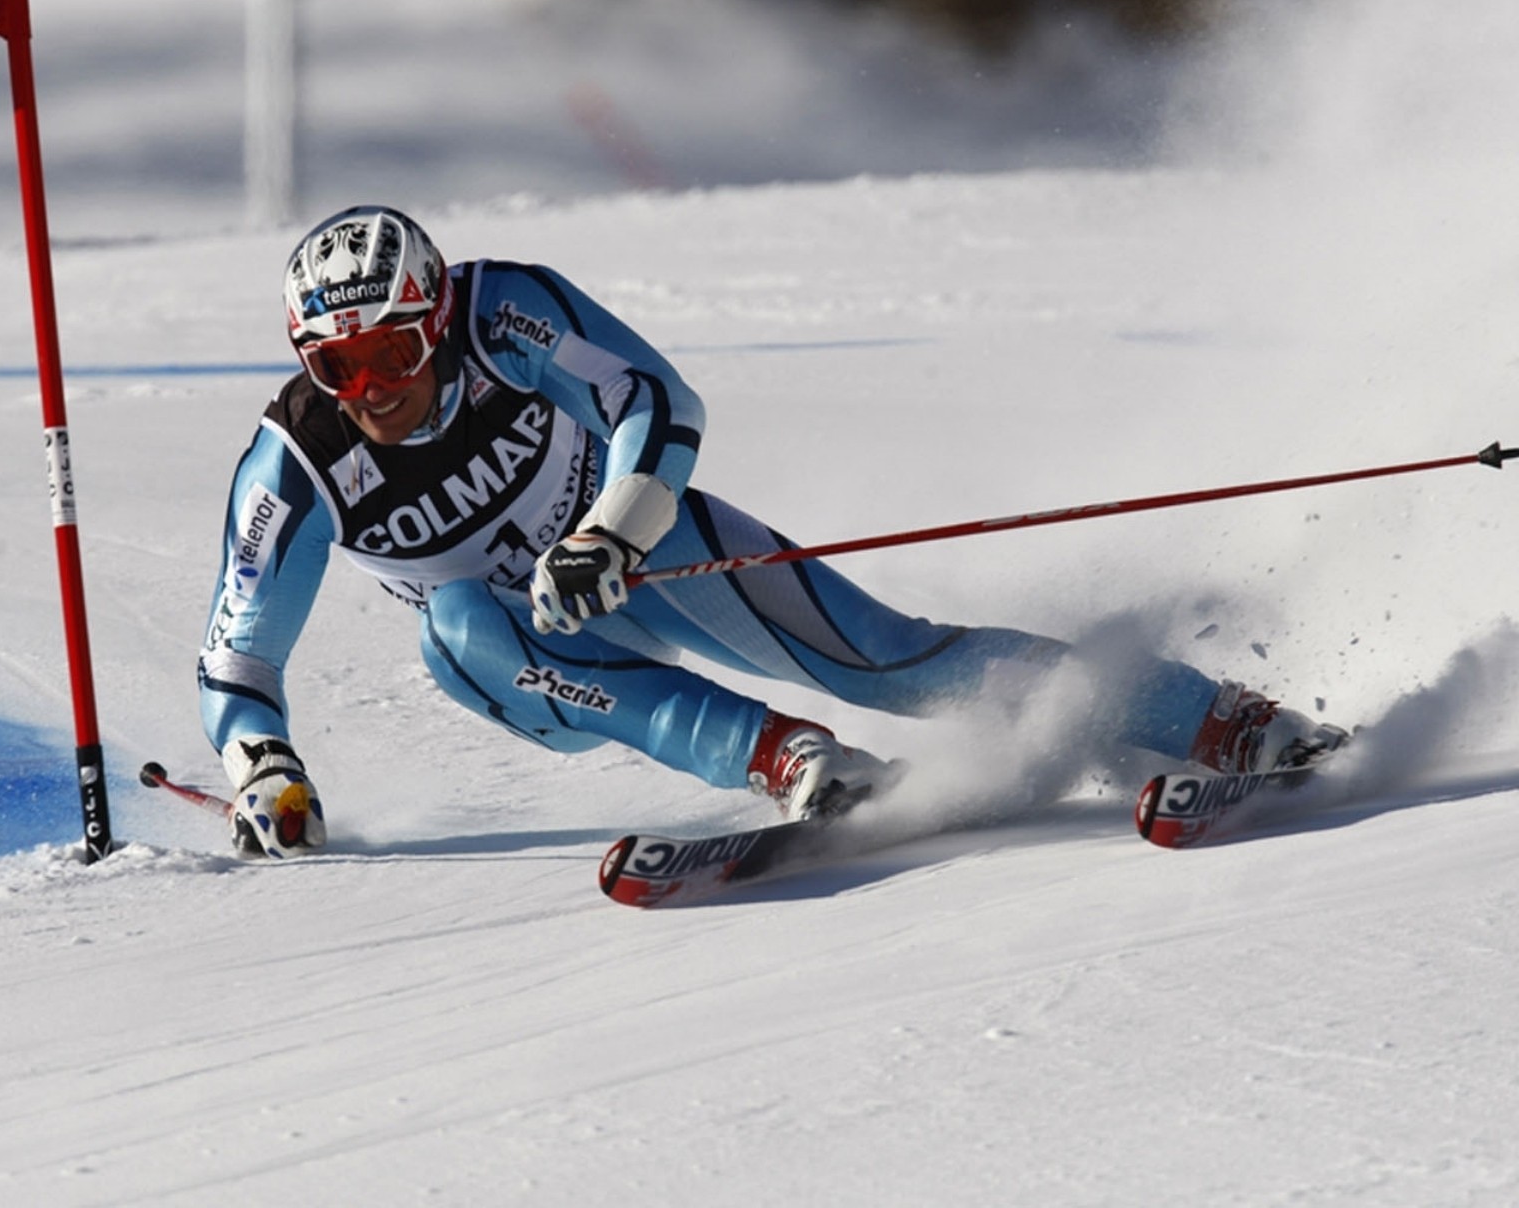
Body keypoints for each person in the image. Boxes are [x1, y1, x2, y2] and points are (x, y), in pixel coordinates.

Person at [199, 205, 1347, 858]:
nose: (370, 387)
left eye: (392, 352)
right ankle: (785, 758)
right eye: (333, 364)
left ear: (436, 320)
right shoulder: (297, 462)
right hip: (534, 657)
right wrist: (266, 770)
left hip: (634, 551)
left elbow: (654, 399)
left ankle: (1219, 718)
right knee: (455, 629)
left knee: (895, 660)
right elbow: (237, 653)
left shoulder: (506, 309)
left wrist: (613, 531)